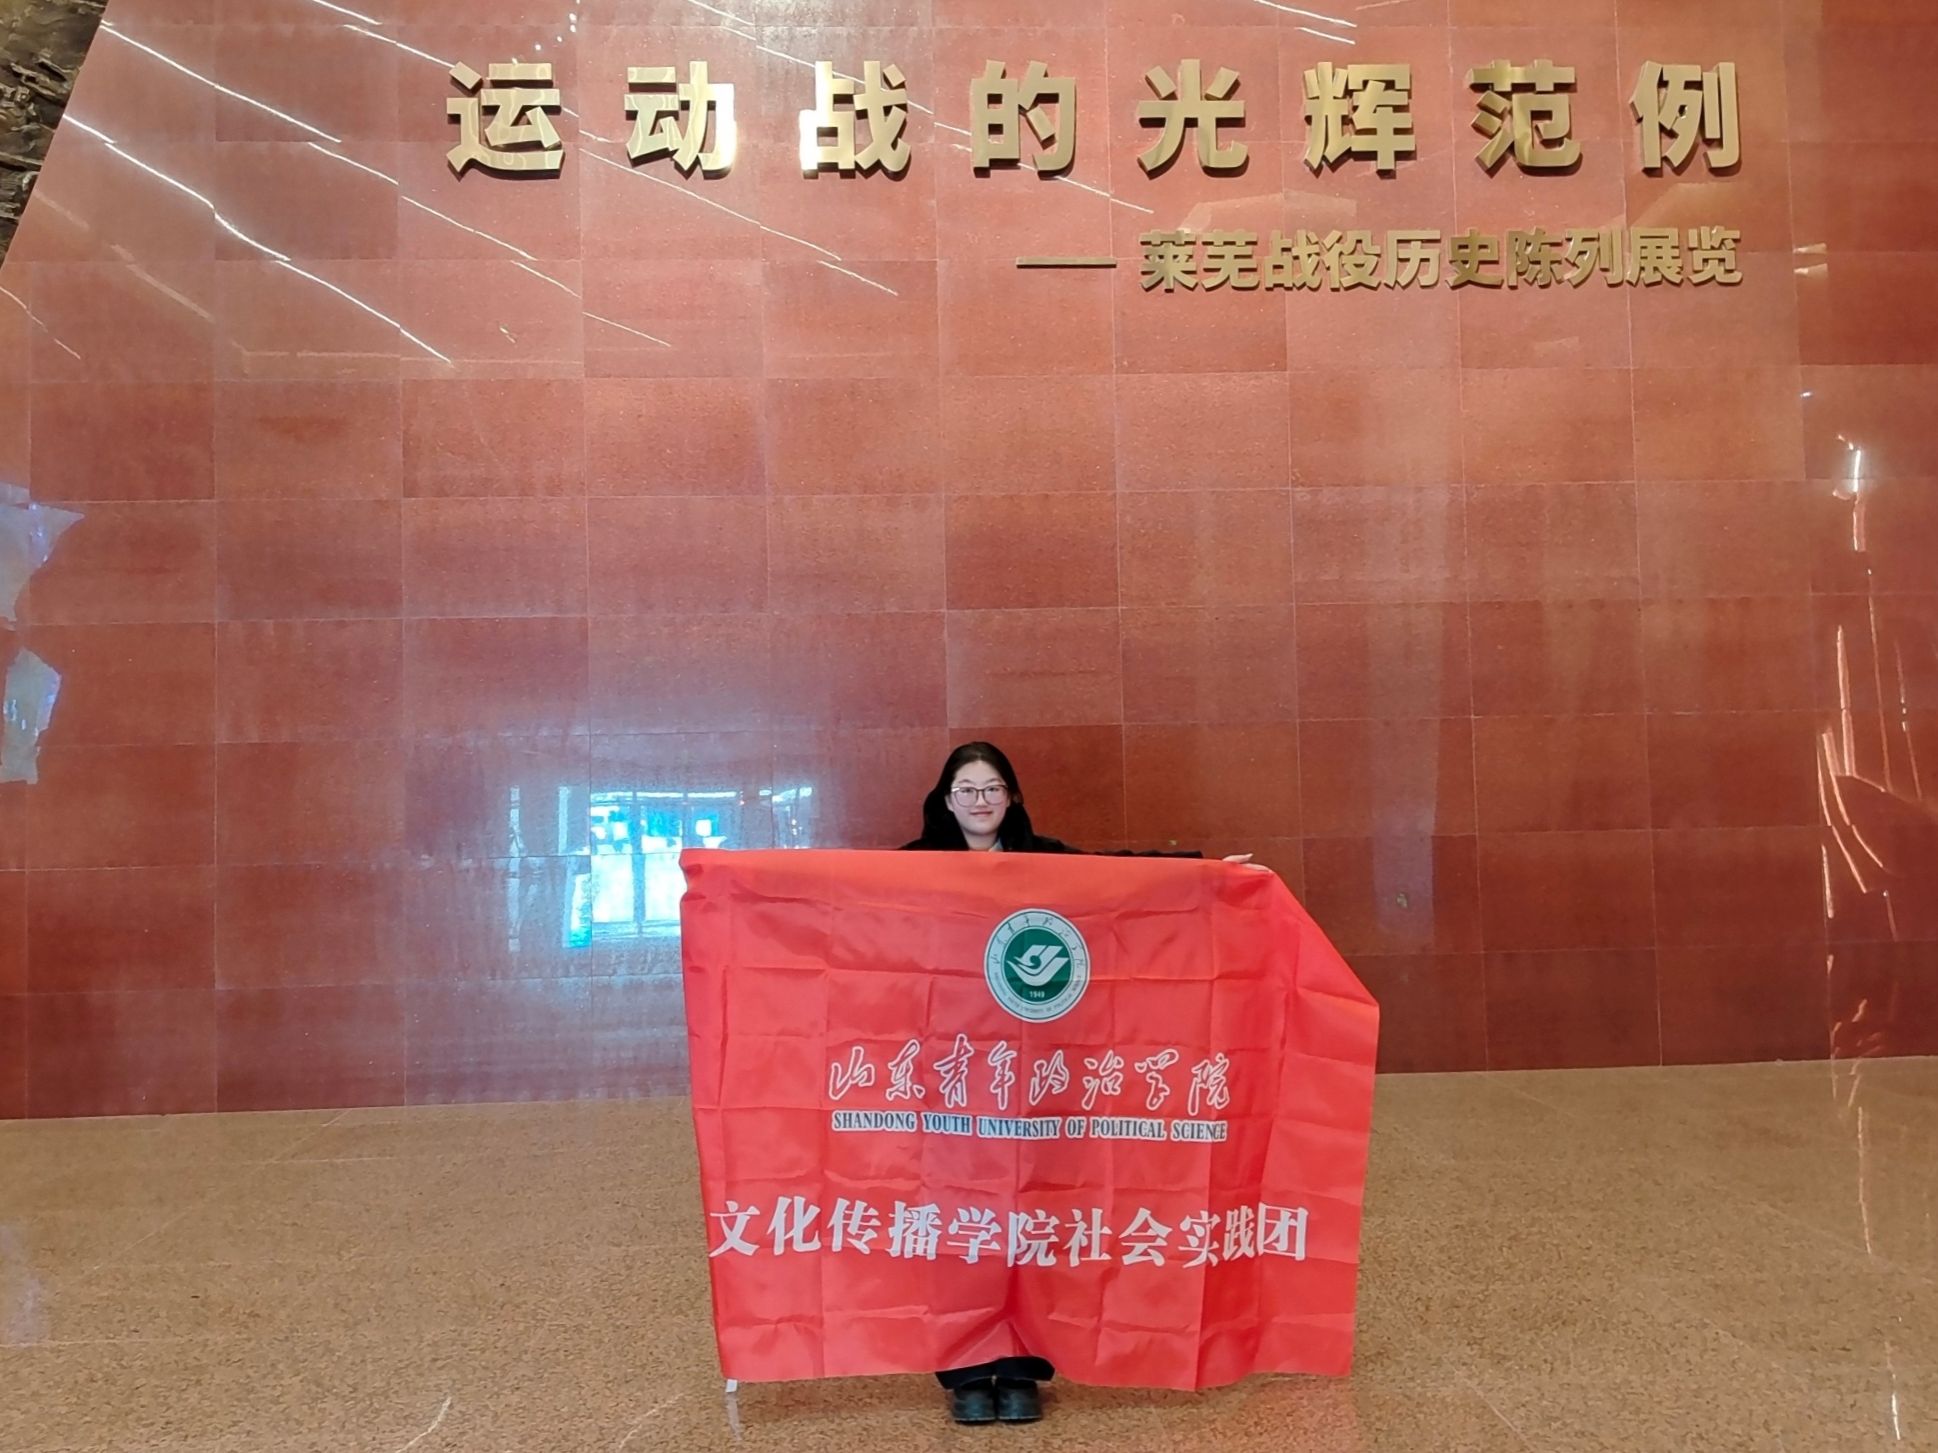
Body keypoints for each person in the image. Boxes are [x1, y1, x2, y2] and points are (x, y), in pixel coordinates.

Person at [900, 740, 1252, 1425]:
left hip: (1037, 1075)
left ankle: (1022, 1367)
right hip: (956, 1078)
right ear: (945, 799)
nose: (980, 801)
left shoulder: (1045, 859)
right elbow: (837, 899)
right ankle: (966, 1369)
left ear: (1011, 796)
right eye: (967, 789)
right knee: (963, 1223)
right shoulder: (913, 866)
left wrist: (1206, 873)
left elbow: (1120, 880)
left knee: (1033, 1216)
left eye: (992, 788)